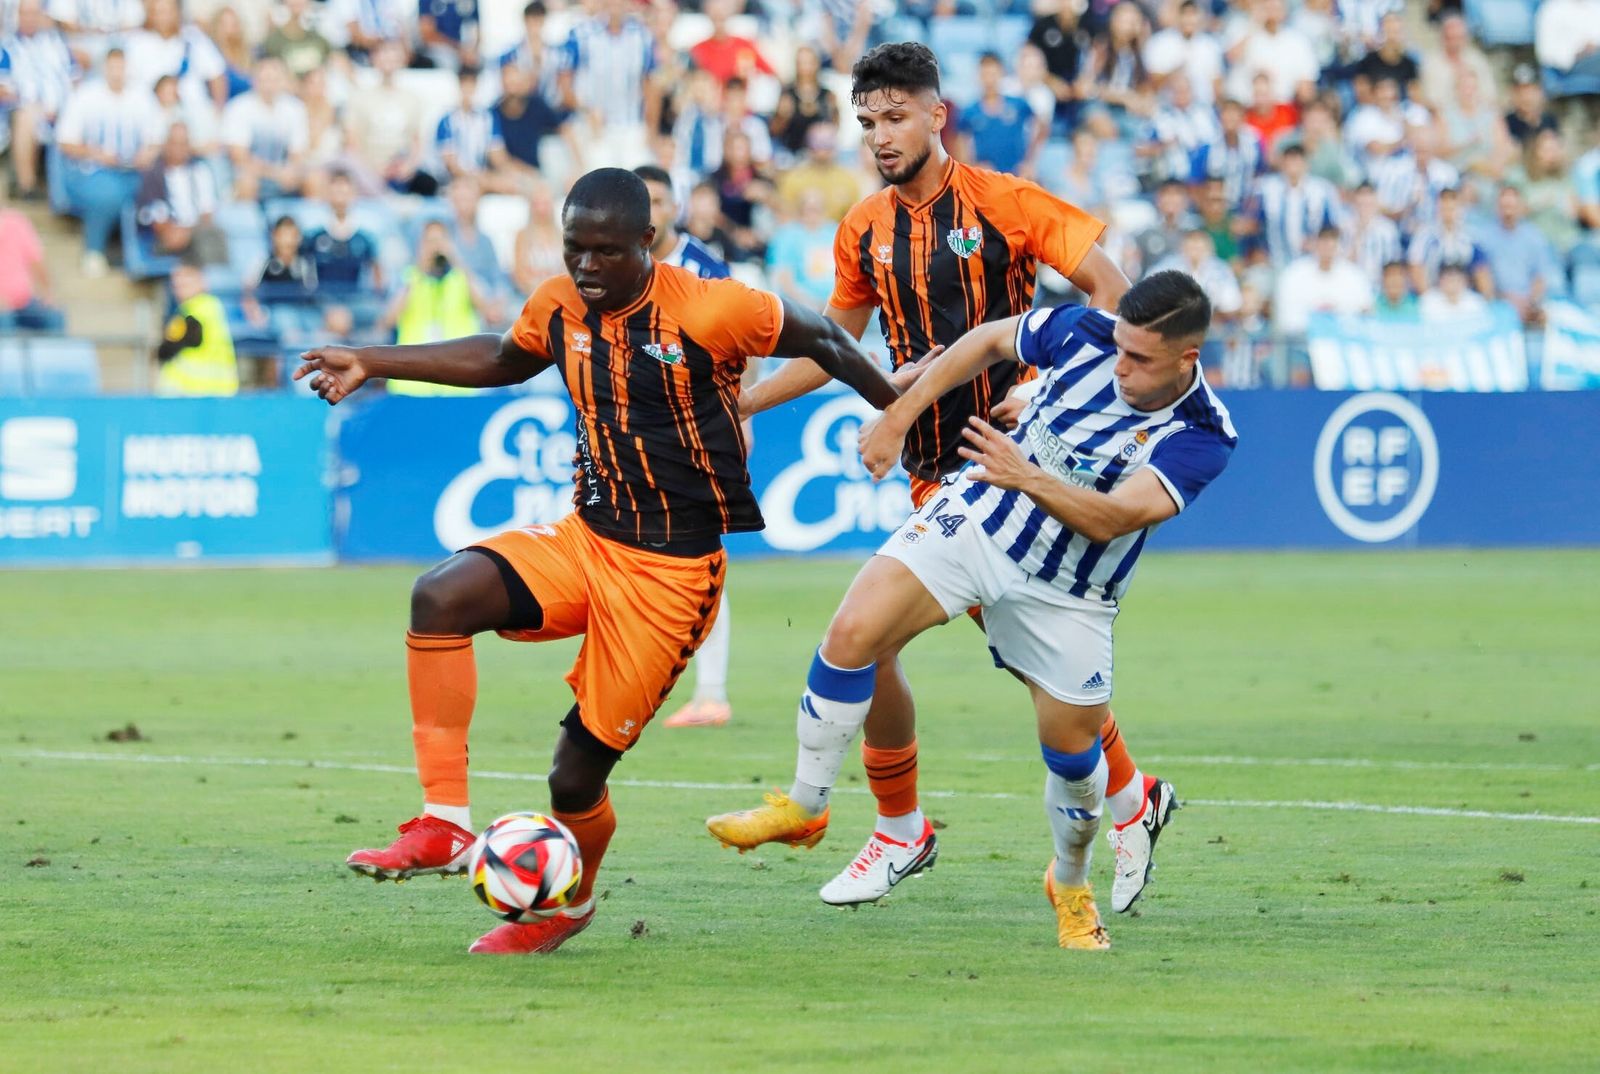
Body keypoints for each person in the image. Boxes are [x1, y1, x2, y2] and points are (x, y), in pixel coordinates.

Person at [303, 167, 905, 956]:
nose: (586, 266)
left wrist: (896, 411)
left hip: (671, 578)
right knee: (440, 597)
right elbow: (501, 357)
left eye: (604, 251)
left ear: (645, 245)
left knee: (573, 781)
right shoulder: (558, 304)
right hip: (586, 541)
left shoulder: (714, 306)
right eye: (574, 248)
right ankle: (444, 826)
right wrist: (374, 361)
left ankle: (570, 905)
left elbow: (826, 336)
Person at [705, 43, 1176, 919]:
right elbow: (839, 342)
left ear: (935, 115)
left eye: (894, 118)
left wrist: (1041, 383)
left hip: (1011, 474)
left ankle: (895, 828)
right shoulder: (864, 226)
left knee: (882, 635)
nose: (881, 137)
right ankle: (1127, 801)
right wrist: (753, 405)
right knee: (1005, 669)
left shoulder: (1005, 203)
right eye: (867, 122)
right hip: (934, 472)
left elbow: (1115, 295)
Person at [769, 270, 1235, 947]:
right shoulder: (1087, 334)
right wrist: (902, 414)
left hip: (1071, 595)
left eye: (1139, 359)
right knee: (856, 632)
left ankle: (1070, 881)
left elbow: (1112, 519)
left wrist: (1029, 472)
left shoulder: (1203, 434)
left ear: (1186, 359)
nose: (1121, 367)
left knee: (1076, 769)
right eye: (1120, 348)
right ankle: (810, 806)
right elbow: (988, 340)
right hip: (982, 521)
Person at [634, 162, 744, 730]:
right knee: (637, 557)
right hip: (635, 434)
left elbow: (733, 347)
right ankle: (652, 681)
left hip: (696, 430)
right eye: (642, 201)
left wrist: (738, 420)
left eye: (658, 200)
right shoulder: (621, 268)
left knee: (696, 558)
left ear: (674, 206)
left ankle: (712, 692)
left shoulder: (704, 268)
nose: (651, 211)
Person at [54, 46, 161, 276]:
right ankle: (95, 249)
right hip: (91, 170)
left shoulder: (142, 97)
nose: (117, 72)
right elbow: (65, 141)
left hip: (133, 170)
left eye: (121, 67)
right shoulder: (85, 95)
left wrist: (146, 154)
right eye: (113, 67)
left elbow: (156, 139)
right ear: (104, 68)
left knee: (155, 187)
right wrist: (97, 154)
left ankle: (140, 254)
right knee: (107, 193)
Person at [135, 121, 226, 263]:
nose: (179, 149)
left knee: (215, 235)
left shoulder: (200, 171)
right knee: (207, 242)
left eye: (183, 143)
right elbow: (158, 219)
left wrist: (190, 232)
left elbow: (207, 212)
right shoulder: (153, 175)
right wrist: (178, 233)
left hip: (197, 232)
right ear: (166, 145)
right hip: (165, 237)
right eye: (174, 143)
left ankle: (216, 281)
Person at [156, 261, 237, 396]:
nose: (179, 289)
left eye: (185, 283)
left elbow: (169, 348)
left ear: (201, 282)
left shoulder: (197, 311)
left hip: (195, 391)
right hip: (216, 390)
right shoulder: (210, 306)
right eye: (176, 285)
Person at [0, 203, 65, 330]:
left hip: (24, 302)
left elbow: (36, 261)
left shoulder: (16, 222)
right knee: (4, 320)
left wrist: (48, 293)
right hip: (4, 310)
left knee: (55, 316)